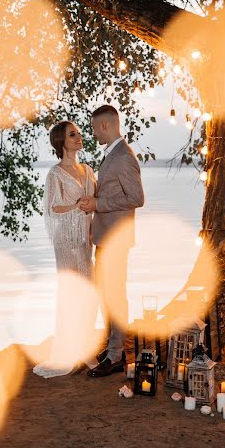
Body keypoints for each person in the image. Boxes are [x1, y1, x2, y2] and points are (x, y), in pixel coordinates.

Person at [78, 105, 144, 377]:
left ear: (104, 126)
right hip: (107, 237)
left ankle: (116, 356)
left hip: (116, 240)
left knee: (115, 295)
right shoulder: (112, 155)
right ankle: (113, 348)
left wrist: (98, 203)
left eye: (94, 128)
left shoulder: (123, 158)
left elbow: (137, 198)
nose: (93, 134)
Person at [33, 120, 97, 378]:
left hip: (85, 241)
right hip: (66, 242)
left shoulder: (89, 170)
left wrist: (91, 208)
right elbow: (51, 209)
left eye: (79, 133)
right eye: (73, 135)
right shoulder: (55, 174)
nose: (79, 137)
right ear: (62, 142)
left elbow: (95, 200)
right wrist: (77, 207)